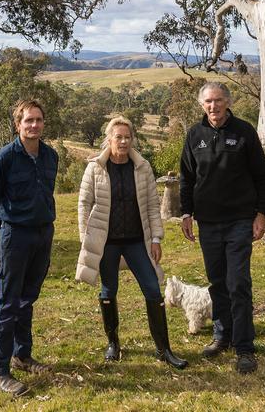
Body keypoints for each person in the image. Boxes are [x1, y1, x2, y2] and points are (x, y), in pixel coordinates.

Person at [76, 116, 188, 369]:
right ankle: (113, 344)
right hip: (107, 243)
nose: (124, 141)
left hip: (137, 241)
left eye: (128, 137)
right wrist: (87, 239)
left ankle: (164, 349)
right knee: (108, 291)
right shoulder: (95, 167)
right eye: (119, 137)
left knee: (152, 289)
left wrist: (156, 238)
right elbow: (84, 205)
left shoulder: (142, 167)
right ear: (109, 139)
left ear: (132, 139)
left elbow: (151, 206)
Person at [179, 81, 265, 374]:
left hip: (239, 221)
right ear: (201, 105)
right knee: (217, 282)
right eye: (208, 101)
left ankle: (244, 347)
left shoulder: (244, 132)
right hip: (208, 223)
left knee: (238, 283)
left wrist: (261, 214)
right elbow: (186, 178)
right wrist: (186, 213)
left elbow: (262, 177)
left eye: (218, 100)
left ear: (228, 102)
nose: (213, 106)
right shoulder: (194, 135)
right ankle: (222, 336)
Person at [0, 99, 58, 395]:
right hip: (15, 236)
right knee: (8, 303)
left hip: (43, 234)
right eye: (28, 120)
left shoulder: (50, 156)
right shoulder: (4, 158)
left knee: (28, 298)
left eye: (38, 120)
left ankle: (23, 355)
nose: (34, 125)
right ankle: (0, 370)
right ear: (18, 124)